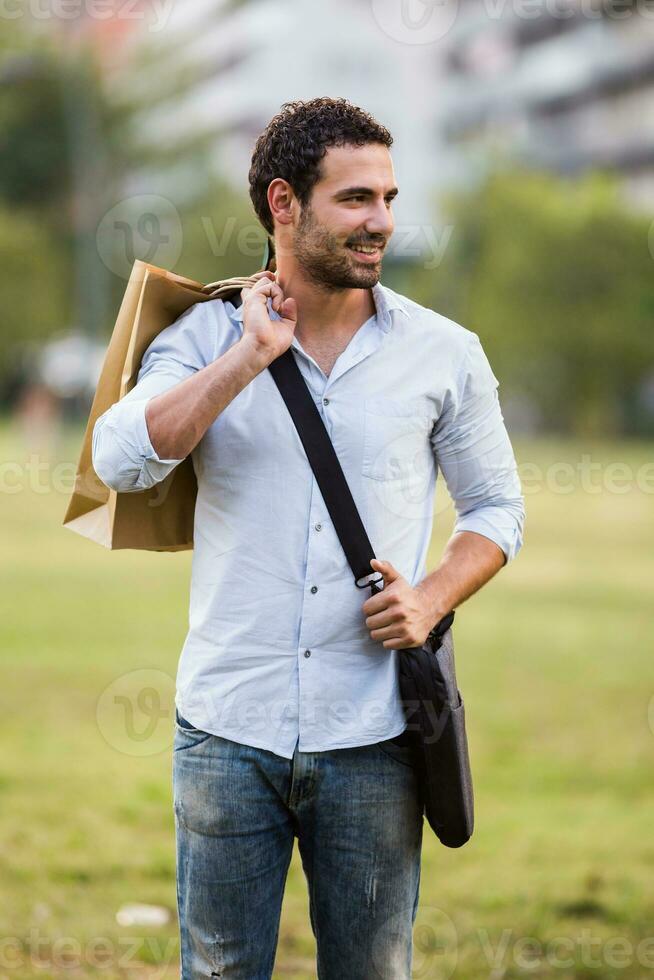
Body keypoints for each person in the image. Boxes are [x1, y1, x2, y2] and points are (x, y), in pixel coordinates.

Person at [92, 97, 525, 980]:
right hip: (225, 730)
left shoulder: (444, 353)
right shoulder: (204, 335)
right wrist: (246, 359)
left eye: (389, 199)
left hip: (374, 735)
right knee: (217, 971)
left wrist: (432, 596)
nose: (382, 223)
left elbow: (497, 510)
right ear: (283, 203)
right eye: (356, 199)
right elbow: (121, 458)